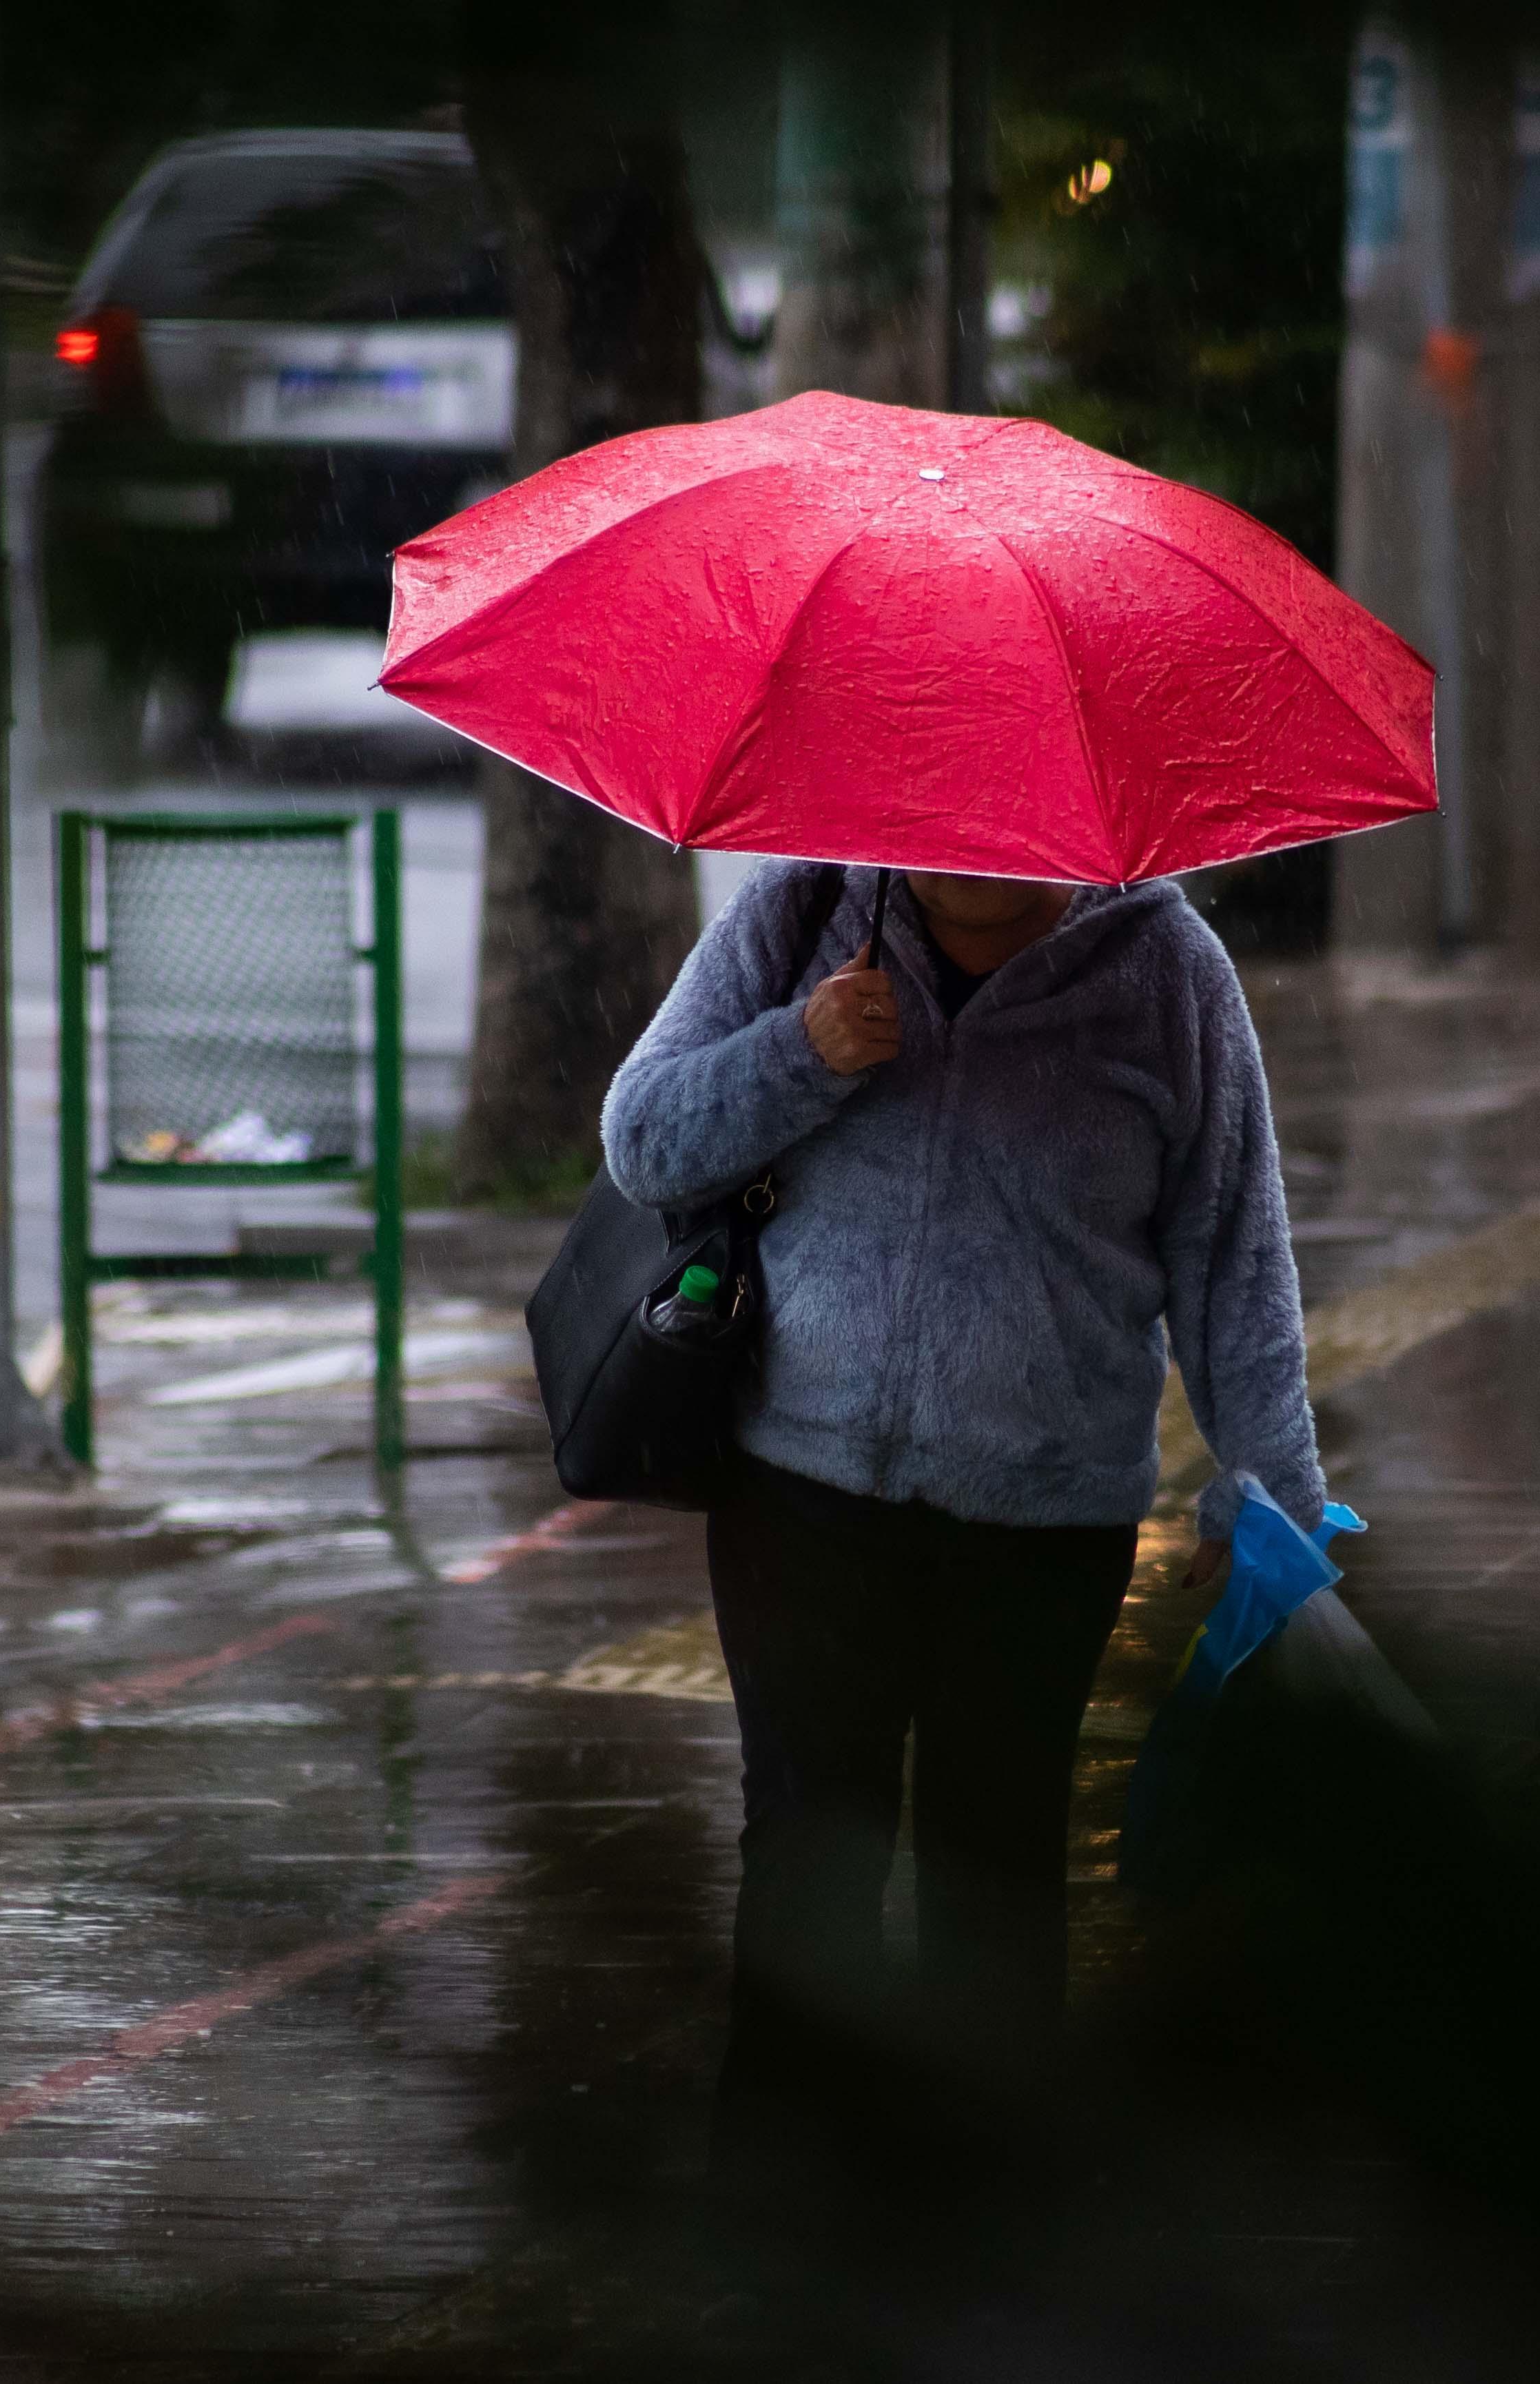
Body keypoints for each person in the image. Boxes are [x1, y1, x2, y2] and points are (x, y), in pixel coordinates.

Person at [599, 861, 1323, 2214]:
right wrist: (801, 1051)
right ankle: (777, 2225)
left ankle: (984, 2233)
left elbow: (1235, 1268)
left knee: (992, 1878)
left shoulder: (1169, 972)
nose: (969, 847)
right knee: (813, 1858)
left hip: (1045, 1521)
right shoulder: (802, 911)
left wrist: (1282, 1512)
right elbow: (642, 1136)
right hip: (800, 1492)